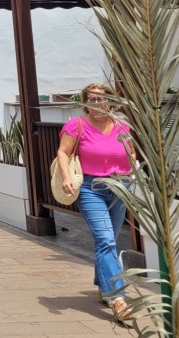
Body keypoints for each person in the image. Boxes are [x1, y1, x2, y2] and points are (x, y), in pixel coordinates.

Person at [55, 82, 136, 324]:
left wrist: (133, 171)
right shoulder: (76, 125)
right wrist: (67, 178)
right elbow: (63, 153)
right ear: (84, 102)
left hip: (120, 186)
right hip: (92, 188)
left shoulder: (122, 126)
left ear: (110, 101)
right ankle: (117, 297)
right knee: (106, 239)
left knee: (108, 238)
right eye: (91, 99)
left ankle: (104, 285)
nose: (96, 104)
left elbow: (131, 153)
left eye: (101, 99)